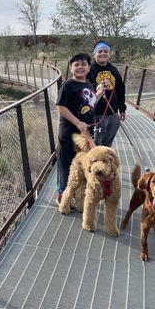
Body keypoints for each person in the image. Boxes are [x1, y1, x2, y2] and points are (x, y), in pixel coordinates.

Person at [55, 53, 104, 204]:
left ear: (89, 68)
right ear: (71, 69)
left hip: (85, 134)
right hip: (70, 133)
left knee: (82, 164)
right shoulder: (67, 86)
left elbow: (89, 104)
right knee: (67, 163)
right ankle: (62, 194)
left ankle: (77, 193)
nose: (80, 67)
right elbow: (60, 107)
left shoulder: (88, 84)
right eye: (76, 65)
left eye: (83, 64)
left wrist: (99, 95)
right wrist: (77, 123)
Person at [87, 41, 127, 147]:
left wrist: (122, 109)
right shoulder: (89, 70)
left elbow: (120, 90)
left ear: (109, 54)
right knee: (95, 144)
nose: (103, 53)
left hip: (113, 113)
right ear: (94, 54)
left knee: (107, 144)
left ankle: (104, 162)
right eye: (100, 51)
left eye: (106, 51)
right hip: (97, 114)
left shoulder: (113, 70)